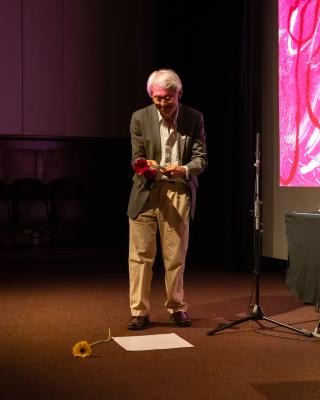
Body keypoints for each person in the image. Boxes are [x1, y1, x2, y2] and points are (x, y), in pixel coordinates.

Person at [127, 68, 208, 330]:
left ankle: (176, 306)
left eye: (169, 98)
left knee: (175, 256)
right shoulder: (139, 118)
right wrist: (146, 165)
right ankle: (139, 311)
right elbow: (136, 158)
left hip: (177, 189)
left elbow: (201, 158)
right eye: (158, 97)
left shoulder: (193, 118)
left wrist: (183, 169)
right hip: (147, 191)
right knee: (140, 255)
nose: (163, 103)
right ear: (151, 95)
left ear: (179, 94)